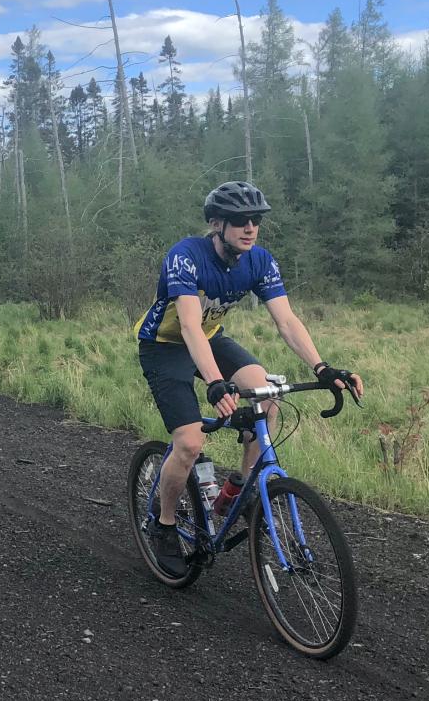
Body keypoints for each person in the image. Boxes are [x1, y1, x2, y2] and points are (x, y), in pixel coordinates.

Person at [134, 181, 363, 575]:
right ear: (216, 224)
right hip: (165, 345)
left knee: (266, 395)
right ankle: (165, 523)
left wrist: (322, 367)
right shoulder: (186, 256)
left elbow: (287, 321)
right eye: (240, 221)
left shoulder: (259, 261)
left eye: (256, 220)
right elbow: (188, 326)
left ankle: (237, 488)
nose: (250, 228)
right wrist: (214, 383)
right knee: (189, 442)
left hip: (211, 339)